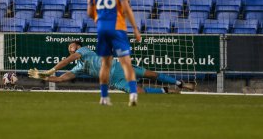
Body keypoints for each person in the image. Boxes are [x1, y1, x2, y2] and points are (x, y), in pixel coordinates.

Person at [28, 41, 195, 95]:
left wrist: (51, 69)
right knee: (139, 92)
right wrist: (43, 77)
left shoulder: (83, 51)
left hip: (119, 66)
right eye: (69, 47)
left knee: (151, 74)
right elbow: (61, 78)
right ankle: (168, 91)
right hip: (114, 80)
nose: (71, 48)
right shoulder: (79, 68)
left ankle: (180, 83)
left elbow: (68, 60)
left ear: (78, 46)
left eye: (73, 46)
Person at [86, 0, 141, 106]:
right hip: (118, 28)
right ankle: (133, 94)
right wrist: (135, 28)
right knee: (126, 63)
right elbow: (126, 8)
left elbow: (89, 12)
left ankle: (104, 97)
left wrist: (99, 19)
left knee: (105, 64)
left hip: (102, 28)